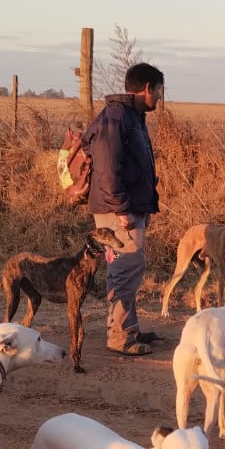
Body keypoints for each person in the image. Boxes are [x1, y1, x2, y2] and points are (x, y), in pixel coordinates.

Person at [81, 62, 164, 356]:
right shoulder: (117, 118)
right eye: (158, 91)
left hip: (127, 206)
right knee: (124, 268)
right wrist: (121, 209)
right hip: (117, 208)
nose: (159, 97)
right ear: (147, 89)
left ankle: (129, 327)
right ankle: (119, 337)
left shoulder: (131, 116)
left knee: (129, 267)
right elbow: (106, 168)